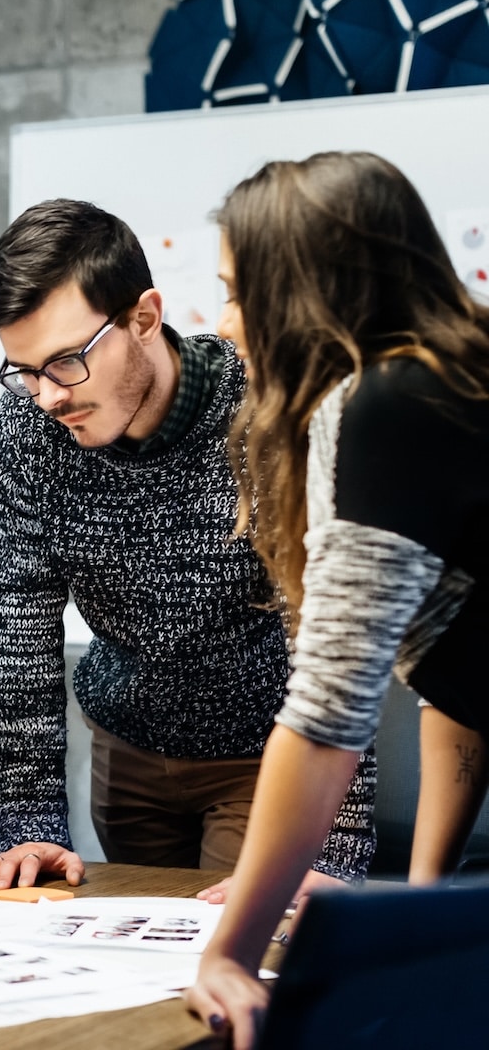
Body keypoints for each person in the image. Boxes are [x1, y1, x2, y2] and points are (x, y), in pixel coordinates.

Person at [0, 198, 374, 894]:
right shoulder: (26, 430)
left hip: (266, 754)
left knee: (238, 959)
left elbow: (334, 631)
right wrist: (30, 818)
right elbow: (14, 620)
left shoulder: (264, 412)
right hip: (126, 751)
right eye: (24, 370)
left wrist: (332, 851)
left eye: (66, 362)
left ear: (144, 318)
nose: (45, 397)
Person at [187, 150, 489, 1047]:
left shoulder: (386, 404)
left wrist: (229, 952)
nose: (226, 322)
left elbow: (325, 720)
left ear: (302, 291)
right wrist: (418, 904)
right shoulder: (452, 377)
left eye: (239, 294)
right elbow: (460, 677)